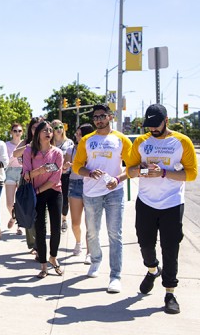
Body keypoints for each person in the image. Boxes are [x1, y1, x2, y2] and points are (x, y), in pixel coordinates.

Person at [126, 104, 197, 314]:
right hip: (146, 202)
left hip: (172, 203)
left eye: (156, 125)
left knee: (170, 248)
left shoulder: (181, 142)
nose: (152, 130)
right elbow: (130, 171)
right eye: (149, 126)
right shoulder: (141, 141)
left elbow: (191, 174)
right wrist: (141, 170)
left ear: (166, 120)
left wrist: (164, 173)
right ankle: (152, 269)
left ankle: (170, 292)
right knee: (145, 243)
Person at [72, 104, 132, 294]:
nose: (98, 119)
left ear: (110, 117)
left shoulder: (121, 139)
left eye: (102, 116)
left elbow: (132, 167)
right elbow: (76, 167)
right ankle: (96, 261)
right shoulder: (87, 140)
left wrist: (118, 179)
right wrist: (89, 173)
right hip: (91, 193)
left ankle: (115, 276)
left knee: (115, 234)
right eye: (95, 116)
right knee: (92, 232)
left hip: (115, 191)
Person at [22, 121, 64, 278]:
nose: (49, 133)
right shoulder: (28, 151)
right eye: (45, 130)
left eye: (51, 130)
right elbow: (25, 175)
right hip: (35, 193)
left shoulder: (57, 153)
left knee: (56, 227)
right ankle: (43, 265)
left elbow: (55, 179)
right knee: (39, 229)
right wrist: (39, 171)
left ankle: (53, 257)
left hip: (53, 191)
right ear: (37, 133)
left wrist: (38, 188)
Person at [13, 116, 44, 254]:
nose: (36, 130)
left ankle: (40, 244)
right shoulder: (27, 142)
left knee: (42, 214)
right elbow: (15, 153)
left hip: (43, 180)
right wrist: (28, 146)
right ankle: (33, 244)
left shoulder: (47, 140)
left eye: (39, 127)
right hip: (26, 180)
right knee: (27, 211)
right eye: (34, 127)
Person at [64, 123, 94, 260]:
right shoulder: (71, 149)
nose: (76, 135)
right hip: (75, 184)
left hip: (90, 185)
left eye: (79, 133)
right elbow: (65, 169)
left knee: (90, 222)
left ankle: (89, 252)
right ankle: (78, 242)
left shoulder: (93, 149)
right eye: (76, 133)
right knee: (76, 223)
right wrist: (66, 166)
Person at [50, 119, 74, 234]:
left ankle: (64, 219)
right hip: (52, 175)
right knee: (53, 200)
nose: (59, 130)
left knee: (65, 199)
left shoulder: (69, 142)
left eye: (60, 127)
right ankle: (55, 222)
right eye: (56, 128)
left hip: (65, 174)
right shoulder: (49, 143)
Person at [4, 122, 24, 235]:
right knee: (9, 203)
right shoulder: (6, 145)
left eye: (19, 131)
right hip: (10, 172)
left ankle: (19, 225)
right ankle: (13, 217)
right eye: (15, 131)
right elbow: (6, 160)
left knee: (20, 201)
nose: (17, 133)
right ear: (11, 132)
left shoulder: (25, 144)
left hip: (22, 172)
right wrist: (14, 156)